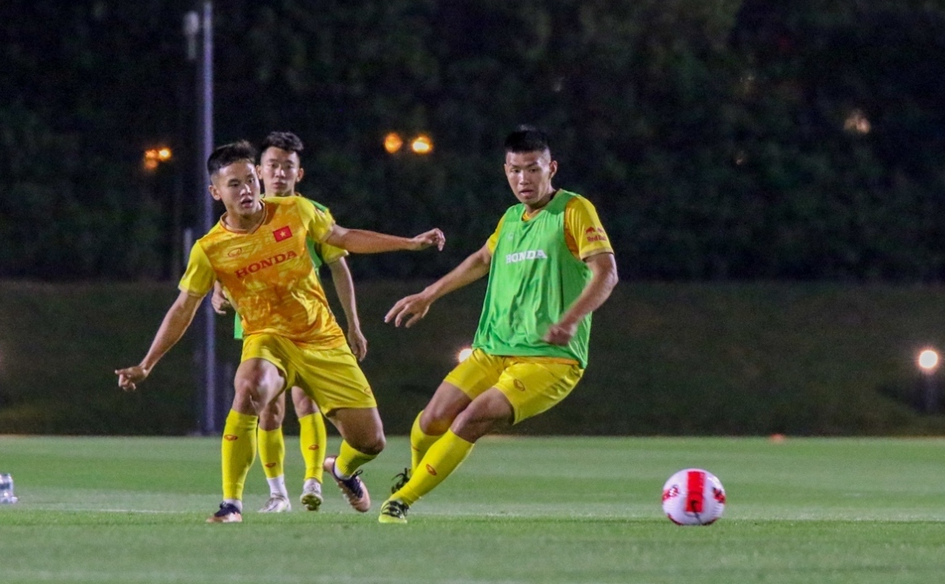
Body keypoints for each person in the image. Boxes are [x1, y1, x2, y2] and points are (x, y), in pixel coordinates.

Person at [115, 140, 445, 523]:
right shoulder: (210, 249)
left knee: (371, 441)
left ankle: (341, 468)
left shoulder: (297, 211)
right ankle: (231, 504)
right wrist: (147, 363)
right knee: (250, 385)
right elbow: (183, 308)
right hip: (267, 340)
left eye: (251, 180)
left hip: (323, 339)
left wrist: (408, 243)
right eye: (234, 184)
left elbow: (344, 236)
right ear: (216, 192)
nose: (247, 190)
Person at [378, 126, 617, 524]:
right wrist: (428, 295)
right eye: (514, 171)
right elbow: (481, 259)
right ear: (505, 171)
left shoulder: (574, 211)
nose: (523, 179)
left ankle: (401, 501)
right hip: (493, 351)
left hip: (549, 359)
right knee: (430, 421)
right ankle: (414, 478)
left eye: (532, 169)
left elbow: (606, 272)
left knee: (471, 418)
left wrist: (571, 319)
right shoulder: (509, 219)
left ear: (551, 168)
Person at [210, 131, 367, 514]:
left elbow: (338, 265)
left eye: (288, 167)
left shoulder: (306, 211)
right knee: (267, 408)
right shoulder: (238, 213)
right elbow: (224, 257)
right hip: (260, 322)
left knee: (307, 400)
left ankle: (313, 480)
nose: (279, 173)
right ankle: (276, 493)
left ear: (300, 174)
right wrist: (218, 290)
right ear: (259, 171)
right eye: (272, 166)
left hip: (307, 325)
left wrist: (353, 323)